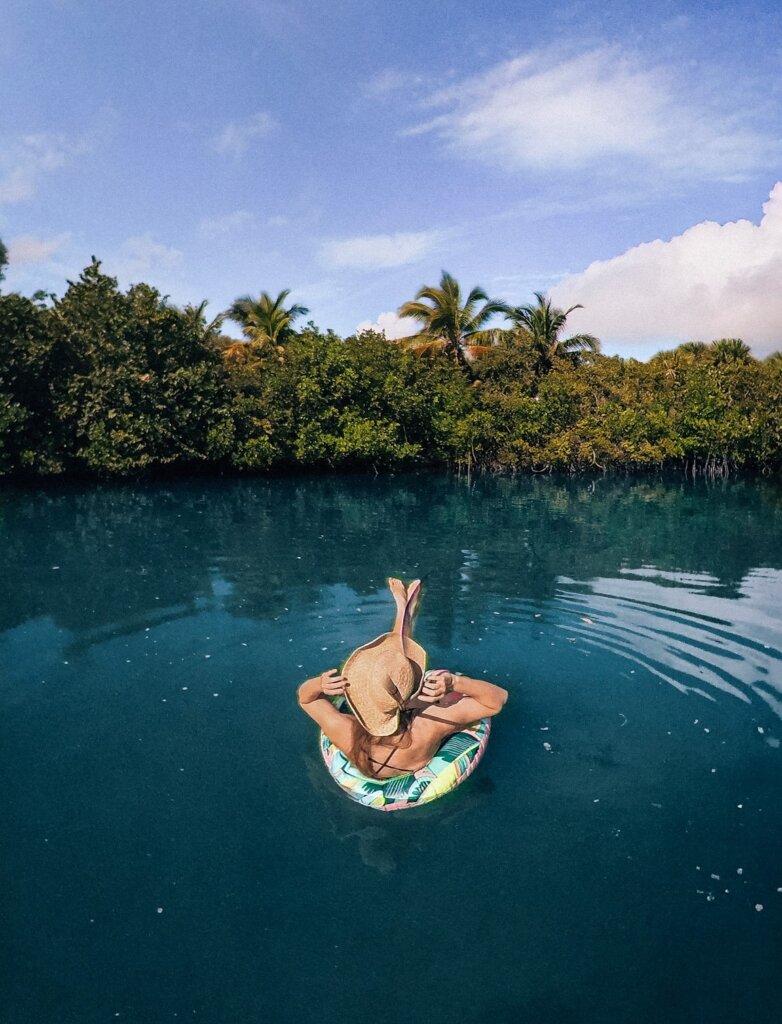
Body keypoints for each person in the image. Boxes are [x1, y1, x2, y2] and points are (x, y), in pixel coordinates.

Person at [297, 578, 508, 779]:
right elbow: (497, 700)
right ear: (416, 693)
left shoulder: (345, 731)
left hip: (375, 757)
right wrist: (454, 682)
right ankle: (405, 610)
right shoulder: (429, 725)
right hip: (414, 752)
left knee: (391, 673)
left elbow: (306, 699)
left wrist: (319, 684)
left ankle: (404, 610)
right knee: (398, 670)